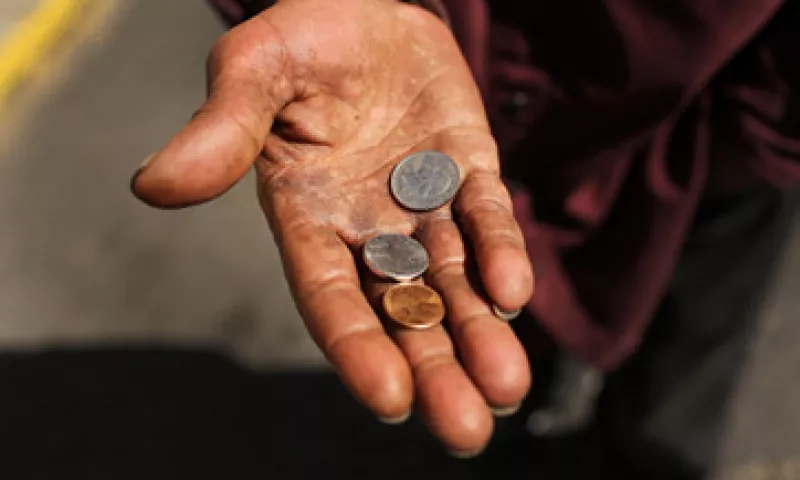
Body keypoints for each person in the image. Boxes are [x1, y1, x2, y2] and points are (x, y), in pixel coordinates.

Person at [130, 0, 800, 478]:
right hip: (450, 76)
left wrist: (770, 131)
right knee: (496, 345)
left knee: (681, 380)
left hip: (716, 118)